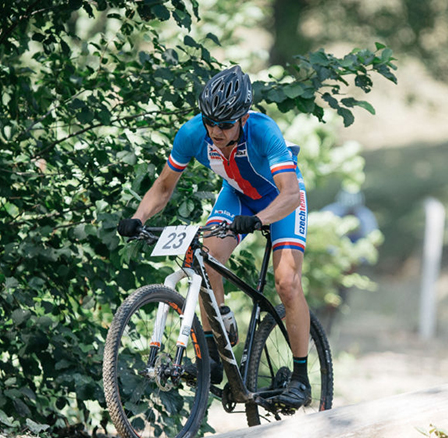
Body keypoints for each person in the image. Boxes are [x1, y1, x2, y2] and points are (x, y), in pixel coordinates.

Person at [117, 65, 312, 410]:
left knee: (286, 282)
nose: (216, 131)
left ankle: (300, 376)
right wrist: (138, 218)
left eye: (224, 125)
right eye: (211, 123)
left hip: (281, 201)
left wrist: (257, 220)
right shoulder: (192, 133)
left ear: (242, 117)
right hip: (237, 195)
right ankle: (214, 350)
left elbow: (289, 194)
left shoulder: (264, 131)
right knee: (202, 261)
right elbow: (163, 188)